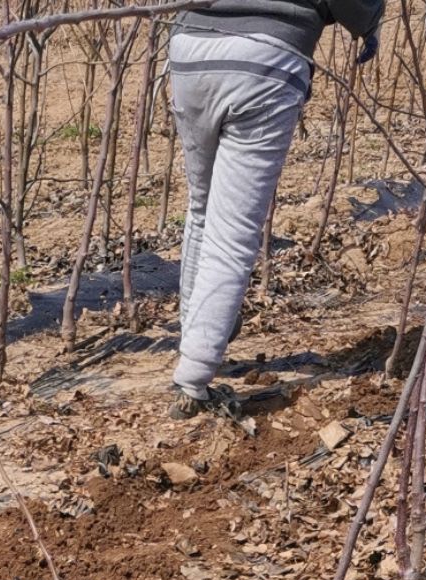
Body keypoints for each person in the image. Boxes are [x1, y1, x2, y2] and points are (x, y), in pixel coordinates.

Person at [166, 0, 384, 415]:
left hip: (190, 47)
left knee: (203, 207)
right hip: (266, 59)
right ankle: (193, 379)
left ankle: (199, 334)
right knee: (234, 232)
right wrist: (369, 21)